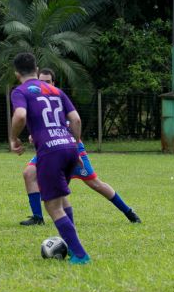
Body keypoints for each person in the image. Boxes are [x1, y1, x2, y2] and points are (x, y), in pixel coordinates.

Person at [19, 68, 141, 226]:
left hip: (70, 147)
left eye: (47, 82)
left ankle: (129, 212)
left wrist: (74, 148)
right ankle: (37, 217)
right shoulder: (34, 100)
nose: (44, 85)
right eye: (41, 82)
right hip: (49, 149)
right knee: (29, 173)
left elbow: (73, 122)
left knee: (95, 183)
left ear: (54, 83)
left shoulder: (59, 98)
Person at [9, 53, 90, 264]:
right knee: (60, 198)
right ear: (36, 70)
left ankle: (80, 255)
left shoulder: (20, 91)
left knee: (53, 206)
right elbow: (76, 119)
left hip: (50, 152)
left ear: (16, 73)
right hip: (69, 147)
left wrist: (13, 138)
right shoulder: (56, 90)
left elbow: (20, 115)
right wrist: (75, 145)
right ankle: (72, 246)